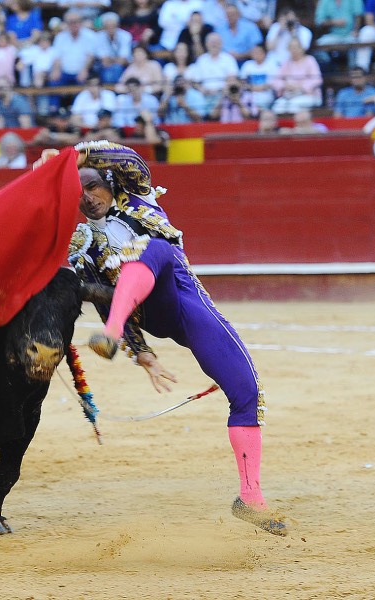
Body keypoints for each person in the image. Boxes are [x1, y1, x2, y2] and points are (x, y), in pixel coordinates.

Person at [44, 141, 286, 537]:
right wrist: (143, 354)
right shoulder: (83, 244)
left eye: (92, 186)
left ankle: (251, 498)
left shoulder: (139, 198)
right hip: (141, 314)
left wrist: (72, 158)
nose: (87, 199)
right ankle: (114, 332)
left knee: (247, 391)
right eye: (78, 194)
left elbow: (130, 159)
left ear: (109, 181)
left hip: (184, 302)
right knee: (151, 251)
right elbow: (103, 299)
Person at [270, 39, 322, 114]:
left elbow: (317, 79)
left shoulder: (310, 60)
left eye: (296, 47)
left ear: (302, 48)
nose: (293, 50)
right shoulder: (286, 62)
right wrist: (285, 85)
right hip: (289, 95)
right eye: (291, 48)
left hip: (308, 95)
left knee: (293, 106)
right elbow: (276, 81)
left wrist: (299, 86)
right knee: (277, 107)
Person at [95, 12, 133, 84]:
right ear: (104, 27)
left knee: (117, 69)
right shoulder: (98, 37)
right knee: (108, 72)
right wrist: (116, 59)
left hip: (124, 67)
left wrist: (112, 60)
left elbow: (122, 60)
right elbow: (104, 62)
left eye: (113, 26)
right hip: (104, 68)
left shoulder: (126, 35)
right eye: (108, 26)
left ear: (118, 25)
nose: (110, 28)